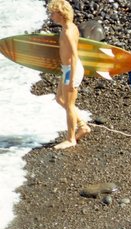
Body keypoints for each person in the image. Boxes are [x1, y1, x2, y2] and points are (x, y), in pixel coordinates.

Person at [48, 0, 90, 149]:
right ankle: (82, 126)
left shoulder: (67, 31)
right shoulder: (70, 27)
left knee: (70, 105)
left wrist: (71, 78)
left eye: (53, 13)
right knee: (59, 99)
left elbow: (74, 55)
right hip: (67, 69)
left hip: (72, 70)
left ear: (60, 13)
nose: (51, 16)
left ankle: (71, 139)